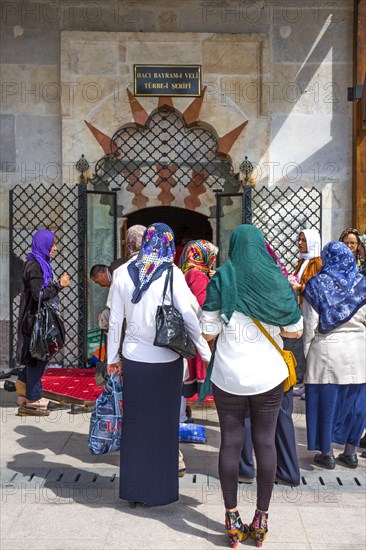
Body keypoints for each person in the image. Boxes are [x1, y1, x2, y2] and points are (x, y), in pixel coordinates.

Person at [200, 224, 302, 548]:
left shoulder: (222, 276)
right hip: (268, 377)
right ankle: (261, 520)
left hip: (229, 376)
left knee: (230, 442)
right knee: (265, 443)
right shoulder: (275, 278)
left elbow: (208, 331)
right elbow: (295, 330)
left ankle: (231, 519)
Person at [107, 222, 211, 507]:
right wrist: (204, 351)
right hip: (166, 360)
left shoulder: (120, 274)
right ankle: (158, 491)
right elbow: (190, 316)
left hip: (134, 358)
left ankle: (134, 490)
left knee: (137, 424)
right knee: (163, 426)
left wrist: (111, 358)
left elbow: (115, 320)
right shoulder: (172, 273)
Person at [302, 241, 366, 470]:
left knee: (326, 405)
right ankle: (350, 453)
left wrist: (307, 355)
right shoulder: (362, 283)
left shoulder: (316, 285)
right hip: (358, 352)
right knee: (355, 405)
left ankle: (326, 453)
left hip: (327, 351)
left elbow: (309, 326)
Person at [15, 230, 70, 416]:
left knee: (35, 355)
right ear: (44, 244)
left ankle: (23, 390)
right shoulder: (36, 266)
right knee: (38, 357)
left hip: (33, 318)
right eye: (53, 244)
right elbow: (40, 294)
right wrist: (59, 285)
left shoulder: (38, 263)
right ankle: (33, 399)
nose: (55, 248)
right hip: (35, 320)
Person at [180, 239, 218, 400]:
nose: (213, 261)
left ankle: (181, 414)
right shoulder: (197, 275)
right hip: (199, 330)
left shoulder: (188, 272)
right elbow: (204, 303)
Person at [289, 228, 322, 392]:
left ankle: (309, 382)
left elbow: (317, 287)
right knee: (301, 345)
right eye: (299, 239)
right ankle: (304, 381)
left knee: (309, 344)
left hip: (310, 310)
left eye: (304, 240)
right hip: (300, 307)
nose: (300, 243)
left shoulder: (318, 263)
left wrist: (300, 287)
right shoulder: (301, 261)